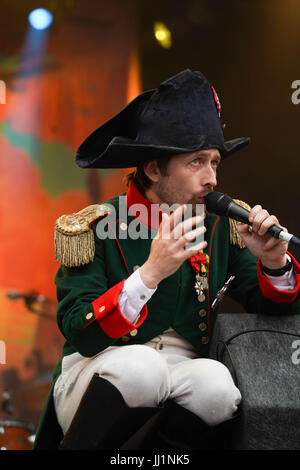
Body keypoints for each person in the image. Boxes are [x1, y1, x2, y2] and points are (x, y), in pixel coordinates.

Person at [34, 69, 300, 450]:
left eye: (215, 163)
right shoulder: (94, 227)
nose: (211, 178)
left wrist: (275, 262)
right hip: (97, 371)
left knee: (217, 385)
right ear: (154, 168)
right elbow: (80, 330)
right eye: (196, 163)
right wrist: (149, 274)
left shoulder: (221, 229)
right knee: (140, 369)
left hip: (181, 375)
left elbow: (274, 312)